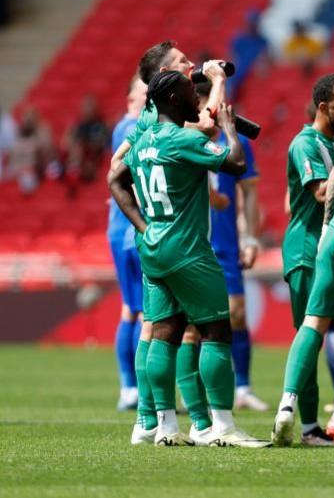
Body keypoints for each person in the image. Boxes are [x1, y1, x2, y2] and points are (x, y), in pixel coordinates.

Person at [108, 69, 268, 447]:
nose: (197, 98)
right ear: (175, 101)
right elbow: (237, 165)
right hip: (189, 249)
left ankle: (164, 427)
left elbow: (115, 179)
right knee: (216, 332)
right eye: (189, 93)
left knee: (165, 332)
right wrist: (229, 126)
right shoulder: (182, 140)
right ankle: (224, 427)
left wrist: (143, 226)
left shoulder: (145, 140)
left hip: (154, 247)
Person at [280, 73, 334, 446]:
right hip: (308, 252)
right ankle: (308, 426)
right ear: (324, 107)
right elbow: (322, 193)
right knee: (310, 334)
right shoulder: (305, 144)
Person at [203, 82, 265, 412]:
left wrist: (251, 237)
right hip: (193, 241)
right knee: (191, 324)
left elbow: (250, 191)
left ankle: (242, 387)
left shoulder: (236, 142)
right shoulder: (184, 137)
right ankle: (197, 392)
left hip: (226, 243)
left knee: (237, 315)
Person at [107, 77, 148, 412]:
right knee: (144, 311)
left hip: (122, 229)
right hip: (130, 229)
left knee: (131, 309)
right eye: (143, 90)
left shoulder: (129, 127)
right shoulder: (130, 128)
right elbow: (126, 178)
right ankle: (135, 387)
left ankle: (130, 388)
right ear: (130, 96)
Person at [65, 94, 110, 186]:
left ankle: (75, 171)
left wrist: (84, 144)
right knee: (75, 149)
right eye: (85, 107)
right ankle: (73, 172)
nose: (86, 110)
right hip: (81, 157)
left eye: (89, 106)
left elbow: (100, 145)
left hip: (94, 159)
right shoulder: (78, 126)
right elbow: (67, 143)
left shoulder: (100, 125)